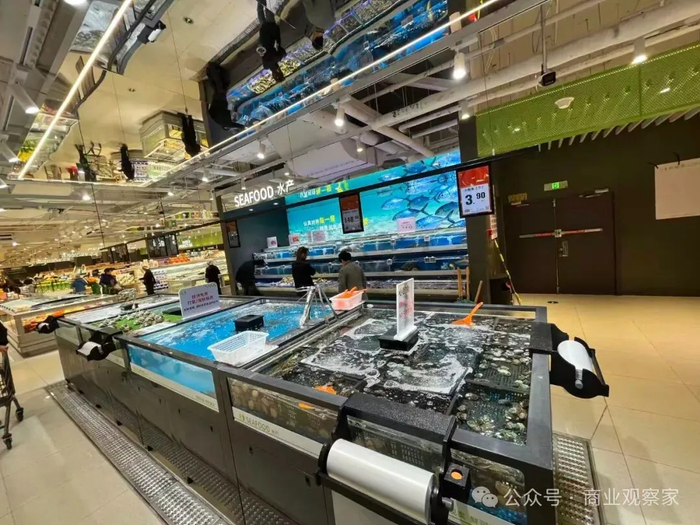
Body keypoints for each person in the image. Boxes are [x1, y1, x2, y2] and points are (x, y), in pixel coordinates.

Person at [256, 0, 286, 83]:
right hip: (263, 34)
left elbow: (282, 51)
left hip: (271, 30)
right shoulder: (265, 66)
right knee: (260, 13)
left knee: (268, 10)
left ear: (279, 70)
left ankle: (262, 1)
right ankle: (260, 1)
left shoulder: (277, 58)